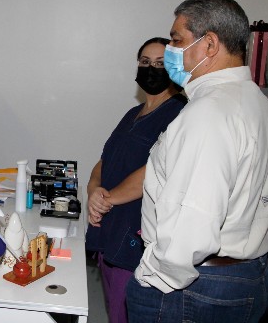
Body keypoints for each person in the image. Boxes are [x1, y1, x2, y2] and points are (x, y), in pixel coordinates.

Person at [127, 0, 268, 323]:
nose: (171, 50)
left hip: (193, 287)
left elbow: (193, 221)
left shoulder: (208, 112)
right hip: (249, 273)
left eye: (177, 39)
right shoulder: (260, 105)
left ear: (210, 44)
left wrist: (151, 277)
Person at [85, 37, 187, 323]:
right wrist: (94, 192)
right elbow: (104, 162)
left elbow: (157, 169)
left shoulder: (180, 114)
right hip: (110, 228)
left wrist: (107, 199)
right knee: (113, 309)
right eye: (145, 62)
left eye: (160, 63)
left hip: (137, 235)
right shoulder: (133, 114)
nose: (151, 68)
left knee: (125, 312)